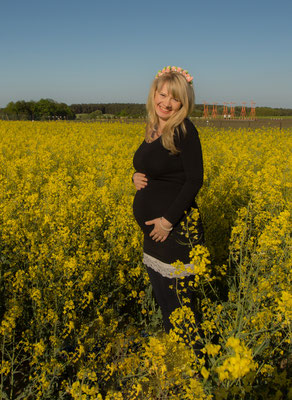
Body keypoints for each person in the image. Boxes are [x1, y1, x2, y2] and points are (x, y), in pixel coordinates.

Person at [132, 66, 204, 338]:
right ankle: (174, 358)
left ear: (183, 103)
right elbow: (152, 167)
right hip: (153, 235)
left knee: (182, 305)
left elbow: (194, 180)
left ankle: (195, 365)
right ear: (154, 95)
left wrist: (166, 222)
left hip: (174, 233)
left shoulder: (184, 130)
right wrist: (135, 177)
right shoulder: (153, 127)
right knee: (165, 302)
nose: (166, 102)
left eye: (174, 98)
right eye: (162, 95)